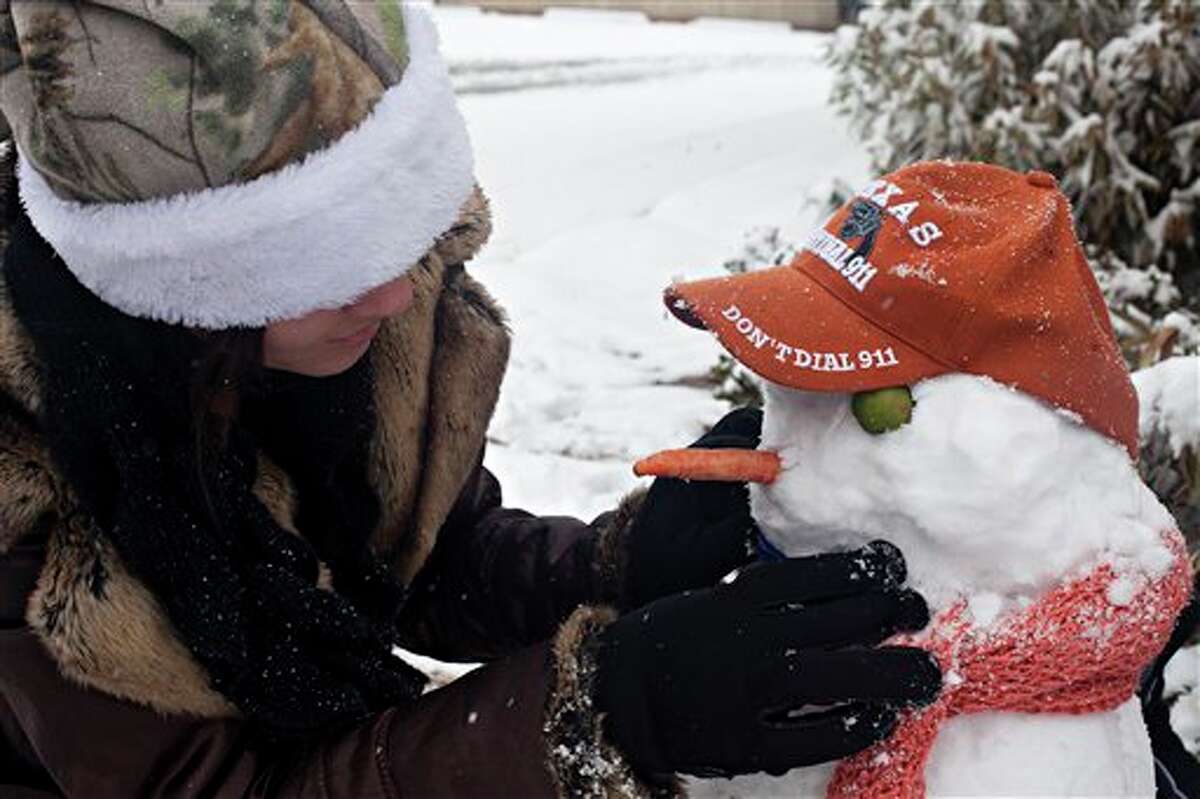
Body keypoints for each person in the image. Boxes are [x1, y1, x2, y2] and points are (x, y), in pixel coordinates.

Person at [0, 3, 940, 797]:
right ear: (183, 288)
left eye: (387, 234)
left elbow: (425, 562)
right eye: (320, 263)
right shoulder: (27, 507)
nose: (395, 296)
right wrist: (599, 715)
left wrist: (622, 558)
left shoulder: (349, 323)